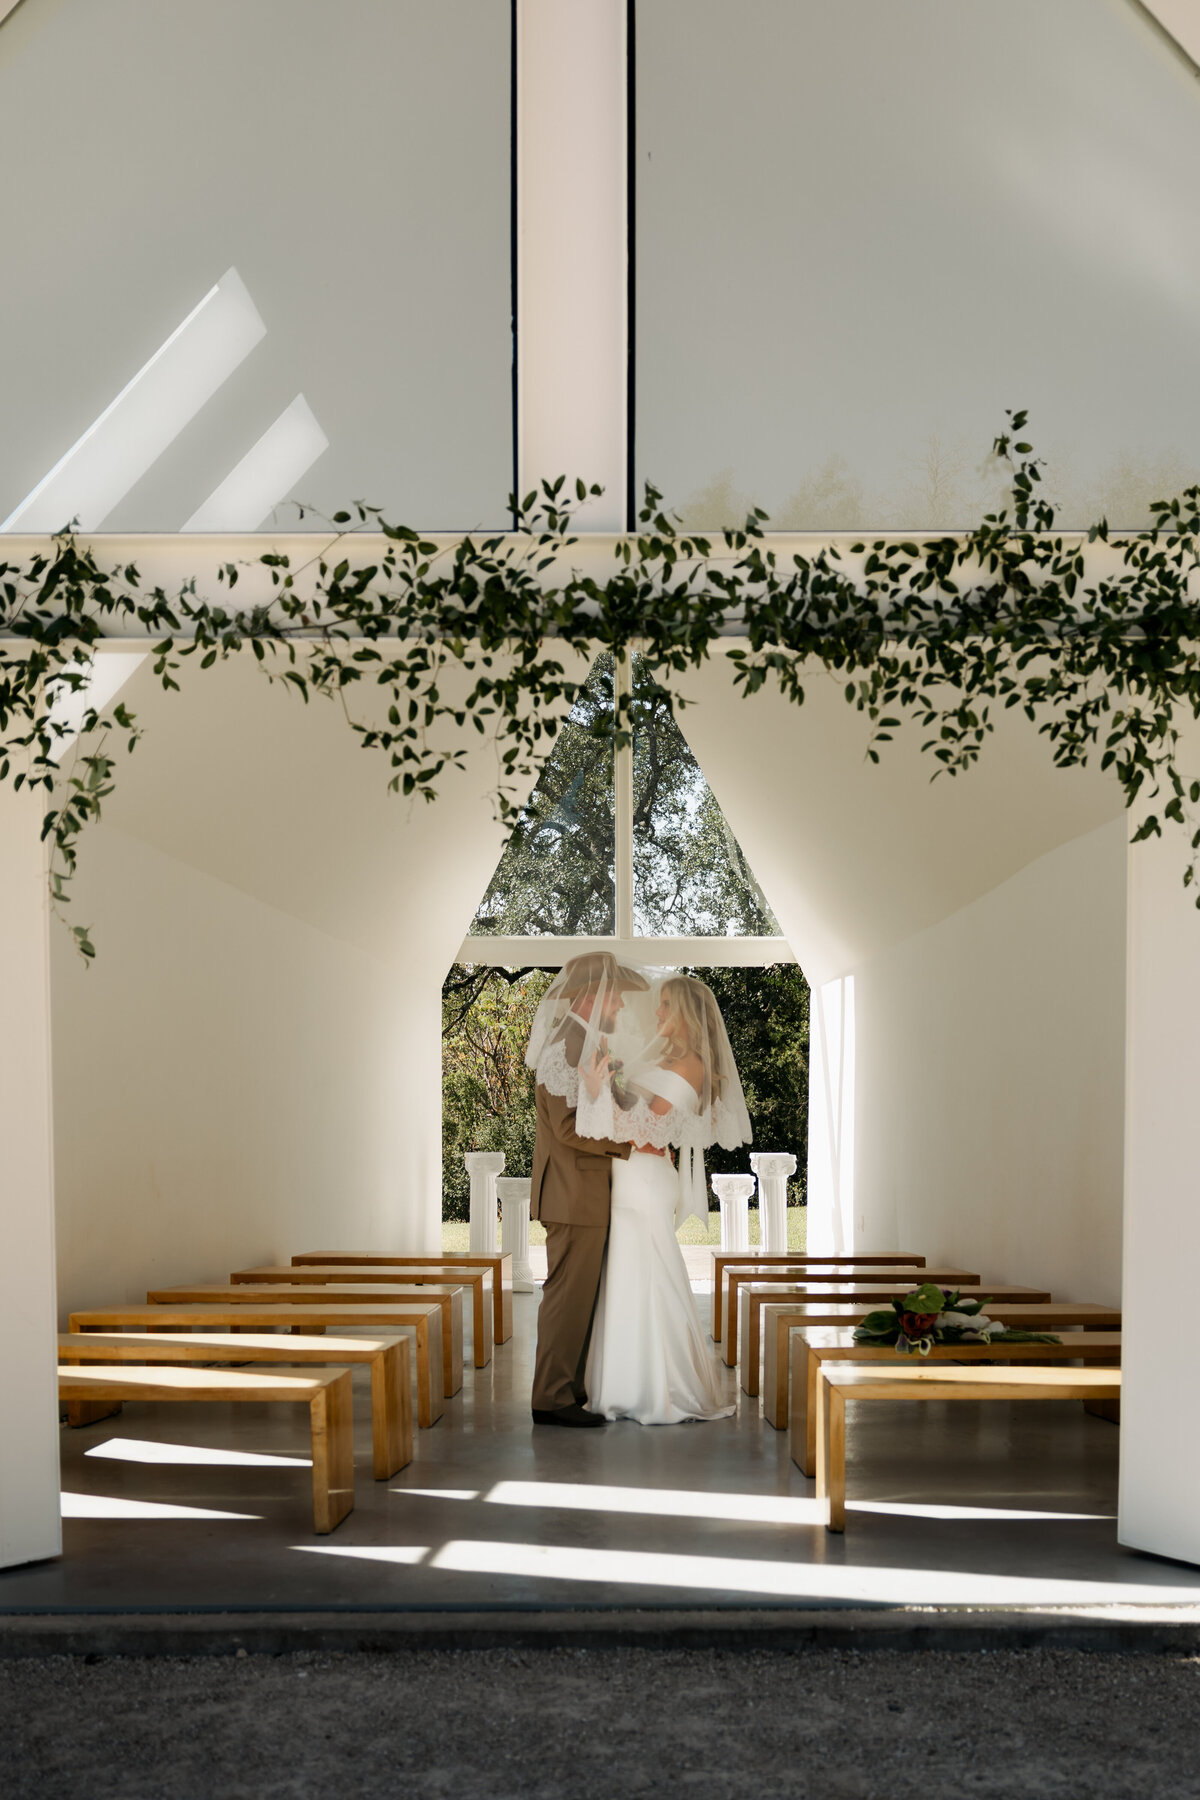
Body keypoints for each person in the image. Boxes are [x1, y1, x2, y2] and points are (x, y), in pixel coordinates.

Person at [579, 974, 753, 1425]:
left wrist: (599, 1093)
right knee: (629, 1273)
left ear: (685, 1014)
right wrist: (613, 1085)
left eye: (665, 1006)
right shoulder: (668, 1059)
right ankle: (626, 1384)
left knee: (650, 1274)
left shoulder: (692, 1065)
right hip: (636, 1174)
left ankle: (663, 1389)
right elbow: (641, 1120)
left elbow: (645, 1130)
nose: (656, 1013)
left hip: (646, 1180)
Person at [524, 951, 652, 1428]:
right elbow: (568, 1129)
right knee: (566, 1298)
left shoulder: (584, 1040)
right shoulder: (566, 1044)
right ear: (590, 993)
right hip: (571, 1194)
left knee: (581, 1299)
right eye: (615, 992)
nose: (620, 1002)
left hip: (584, 1193)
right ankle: (551, 1398)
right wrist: (630, 1142)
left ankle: (569, 1390)